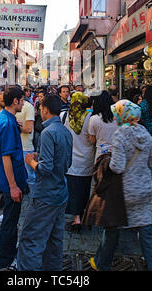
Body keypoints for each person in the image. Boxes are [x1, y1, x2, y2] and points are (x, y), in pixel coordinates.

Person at [89, 99, 152, 271]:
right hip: (144, 189)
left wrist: (108, 156)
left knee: (112, 228)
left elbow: (118, 167)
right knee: (147, 233)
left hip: (124, 191)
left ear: (121, 116)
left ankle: (103, 263)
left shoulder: (120, 134)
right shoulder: (145, 133)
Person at [17, 95, 73, 271]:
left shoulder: (48, 133)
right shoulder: (65, 131)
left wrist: (31, 162)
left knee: (31, 239)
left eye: (40, 108)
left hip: (46, 194)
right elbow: (65, 162)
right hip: (61, 191)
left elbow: (46, 169)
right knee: (54, 240)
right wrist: (39, 158)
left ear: (46, 110)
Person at [0, 87, 27, 270]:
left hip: (8, 179)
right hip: (10, 182)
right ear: (15, 101)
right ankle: (6, 259)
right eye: (22, 100)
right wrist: (13, 186)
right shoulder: (6, 123)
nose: (23, 103)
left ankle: (7, 255)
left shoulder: (5, 119)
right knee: (10, 222)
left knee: (10, 220)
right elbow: (6, 157)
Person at [60, 92, 94, 233]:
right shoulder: (90, 118)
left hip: (70, 159)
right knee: (84, 189)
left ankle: (76, 218)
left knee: (72, 189)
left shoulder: (64, 116)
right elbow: (93, 139)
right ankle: (84, 215)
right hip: (86, 159)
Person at [88, 91, 118, 161]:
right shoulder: (118, 117)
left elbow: (92, 140)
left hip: (101, 154)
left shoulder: (94, 119)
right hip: (117, 153)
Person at [16, 95, 35, 193]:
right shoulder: (11, 107)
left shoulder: (27, 107)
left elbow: (29, 129)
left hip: (25, 146)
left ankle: (33, 199)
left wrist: (15, 126)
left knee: (30, 175)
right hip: (15, 146)